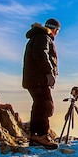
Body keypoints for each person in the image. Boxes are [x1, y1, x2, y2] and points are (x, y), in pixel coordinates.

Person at [22, 18, 61, 149]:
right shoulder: (43, 37)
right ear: (55, 29)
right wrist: (49, 72)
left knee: (39, 105)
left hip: (35, 79)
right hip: (38, 79)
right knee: (46, 106)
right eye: (58, 31)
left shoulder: (39, 36)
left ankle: (36, 136)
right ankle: (41, 135)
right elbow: (41, 54)